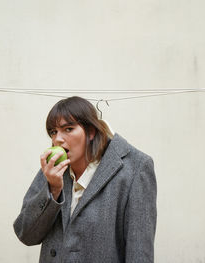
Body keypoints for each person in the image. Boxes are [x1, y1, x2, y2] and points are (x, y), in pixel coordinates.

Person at [13, 96, 157, 262]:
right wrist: (53, 190)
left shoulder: (135, 168)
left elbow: (140, 253)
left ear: (91, 132)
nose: (57, 139)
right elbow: (26, 234)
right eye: (53, 132)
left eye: (68, 129)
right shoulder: (53, 170)